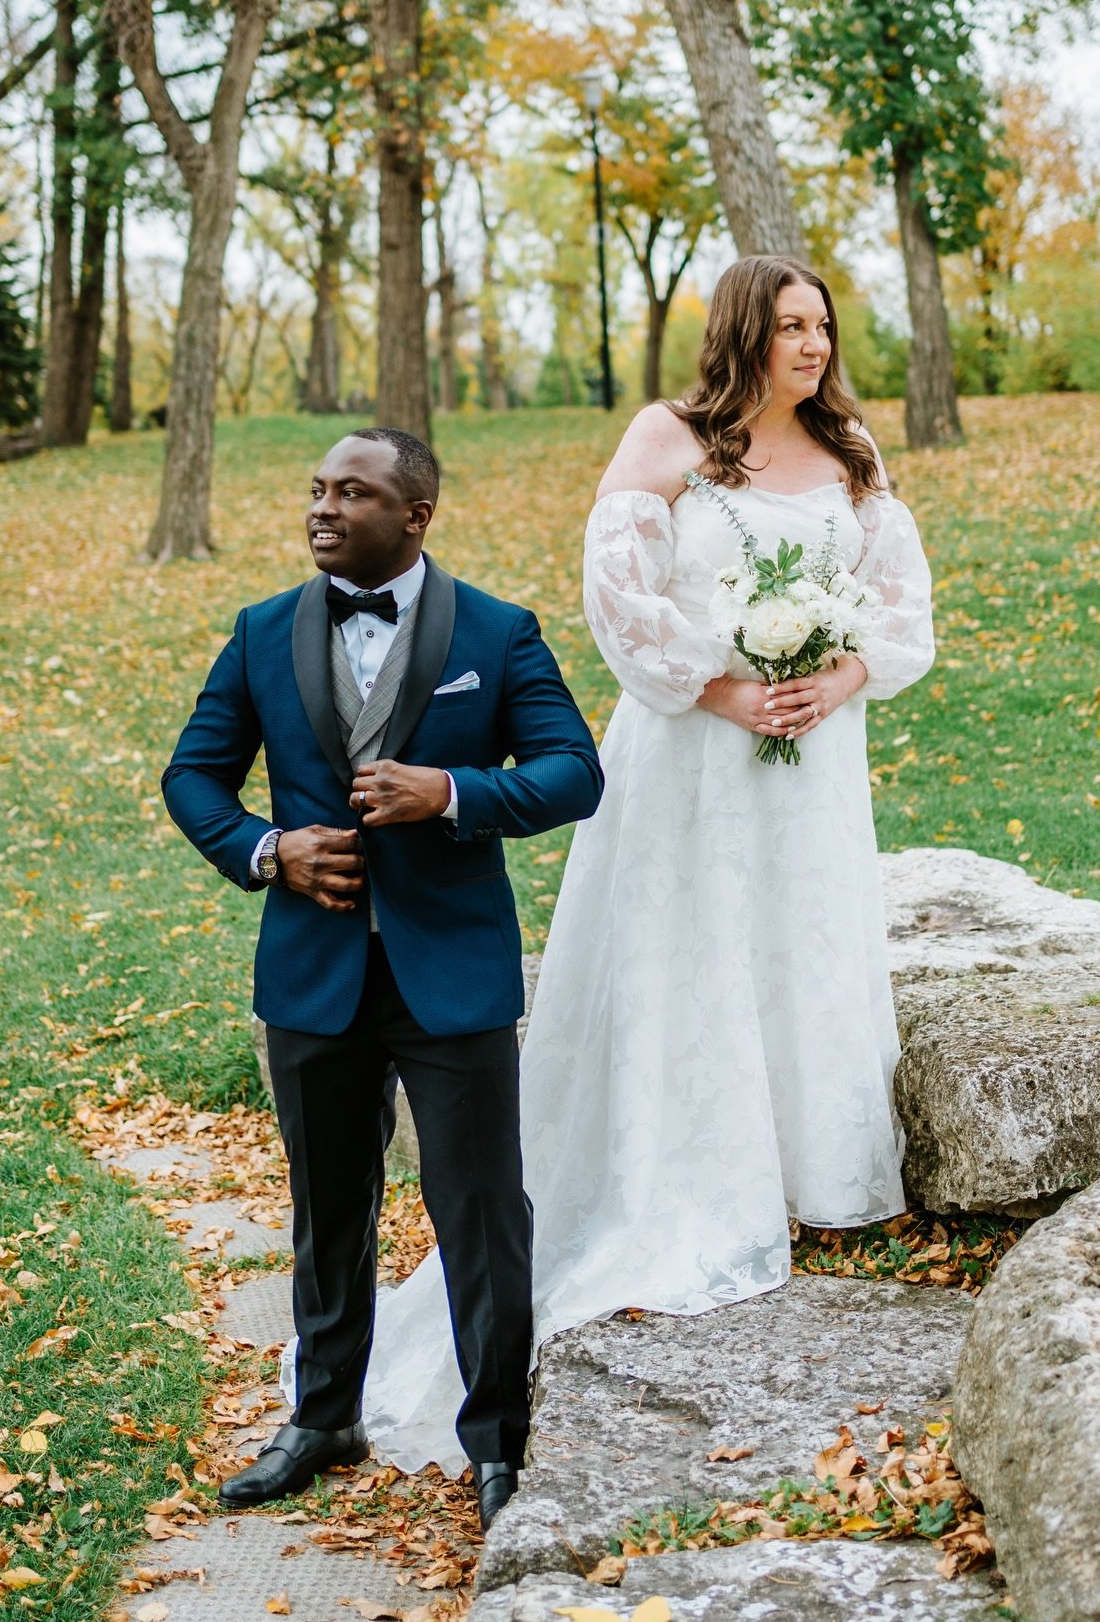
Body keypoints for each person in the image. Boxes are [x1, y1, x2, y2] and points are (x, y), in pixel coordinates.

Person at [361, 255, 935, 1479]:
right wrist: (726, 689)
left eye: (822, 327)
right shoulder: (667, 437)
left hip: (813, 758)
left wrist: (832, 680)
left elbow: (900, 605)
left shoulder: (852, 455)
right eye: (788, 326)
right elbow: (616, 597)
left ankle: (804, 1169)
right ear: (741, 333)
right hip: (690, 753)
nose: (812, 346)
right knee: (693, 949)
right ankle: (676, 1177)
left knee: (801, 941)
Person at [161, 427, 603, 1531]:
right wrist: (271, 852)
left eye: (351, 493)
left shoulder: (497, 634)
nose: (321, 508)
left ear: (416, 515)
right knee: (327, 1211)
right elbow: (193, 775)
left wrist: (451, 794)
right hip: (312, 975)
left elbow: (572, 771)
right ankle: (322, 1419)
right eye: (315, 490)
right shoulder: (263, 633)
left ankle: (499, 1439)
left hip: (451, 973)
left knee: (481, 1211)